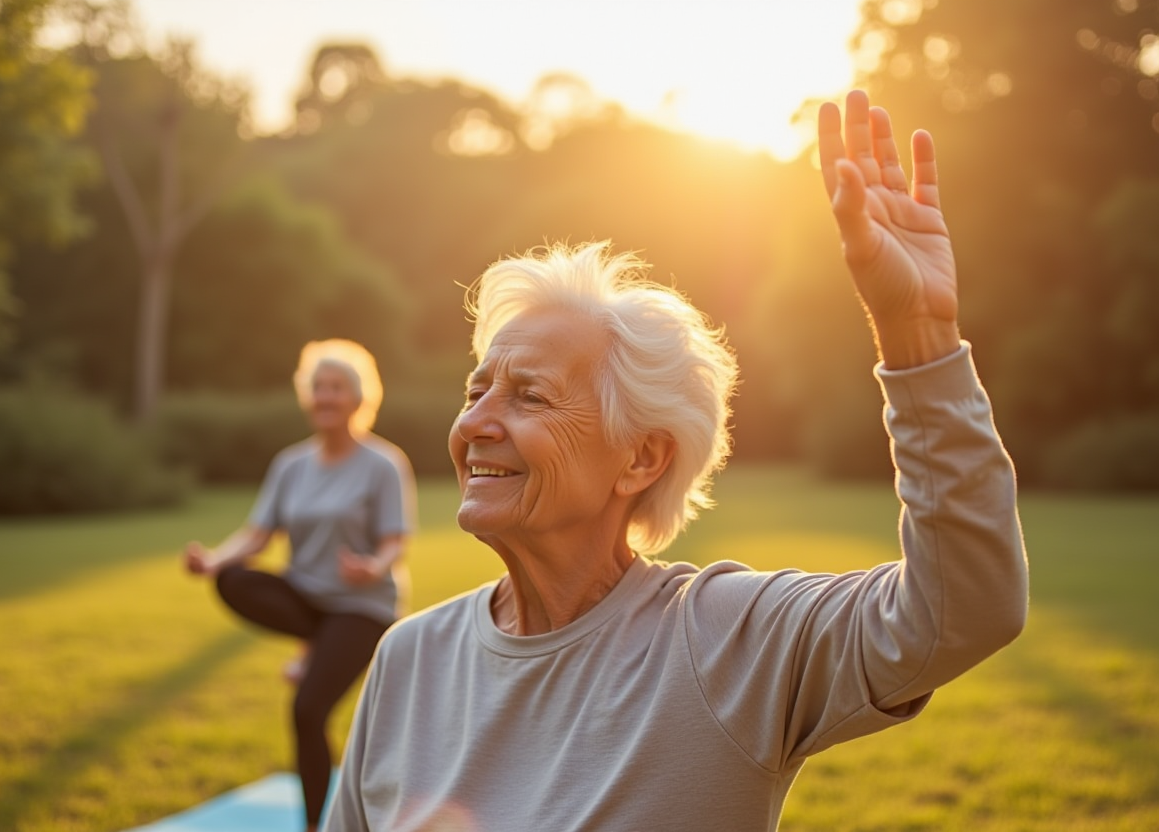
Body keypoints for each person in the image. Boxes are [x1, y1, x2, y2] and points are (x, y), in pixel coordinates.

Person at [322, 90, 1029, 831]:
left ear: (642, 459)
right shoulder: (409, 658)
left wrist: (917, 335)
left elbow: (962, 609)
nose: (474, 423)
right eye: (476, 390)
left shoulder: (722, 641)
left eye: (530, 396)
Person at [184, 338, 414, 832]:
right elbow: (258, 534)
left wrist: (373, 567)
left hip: (361, 604)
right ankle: (314, 640)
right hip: (307, 596)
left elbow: (395, 541)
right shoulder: (290, 464)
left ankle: (315, 826)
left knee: (307, 709)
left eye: (336, 387)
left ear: (357, 397)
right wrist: (212, 559)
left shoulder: (383, 463)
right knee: (232, 580)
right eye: (318, 387)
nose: (325, 396)